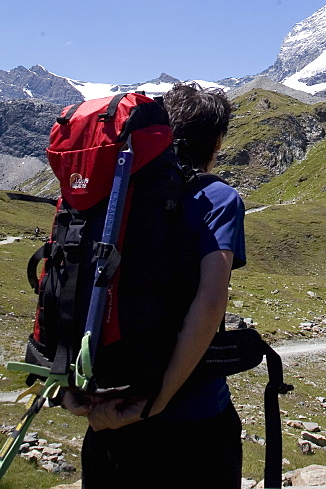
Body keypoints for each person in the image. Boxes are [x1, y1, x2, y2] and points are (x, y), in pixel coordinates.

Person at [64, 83, 246, 489]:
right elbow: (210, 303)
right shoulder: (218, 198)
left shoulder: (109, 193)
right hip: (192, 421)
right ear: (216, 141)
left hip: (106, 412)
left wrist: (70, 385)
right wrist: (158, 400)